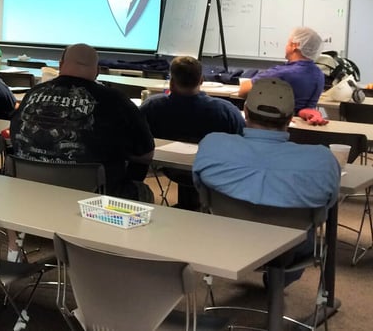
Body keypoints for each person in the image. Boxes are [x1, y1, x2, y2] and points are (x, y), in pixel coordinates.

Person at [194, 78, 340, 286]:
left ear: (245, 111)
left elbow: (201, 192)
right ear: (290, 117)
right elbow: (327, 205)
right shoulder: (323, 160)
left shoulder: (212, 145)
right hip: (290, 250)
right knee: (311, 233)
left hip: (224, 241)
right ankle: (277, 282)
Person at [11, 43, 155, 201]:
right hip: (94, 199)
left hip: (29, 192)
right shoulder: (116, 100)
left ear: (60, 65)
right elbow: (146, 155)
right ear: (97, 71)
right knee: (142, 190)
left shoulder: (32, 94)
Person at [141, 56, 244, 209]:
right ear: (201, 80)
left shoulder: (151, 107)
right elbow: (243, 145)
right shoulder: (227, 111)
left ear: (171, 82)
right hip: (213, 171)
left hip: (171, 168)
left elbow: (136, 136)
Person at [238, 27, 325, 111]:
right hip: (302, 120)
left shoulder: (282, 73)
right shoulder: (319, 75)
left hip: (273, 119)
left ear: (294, 46)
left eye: (288, 42)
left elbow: (243, 91)